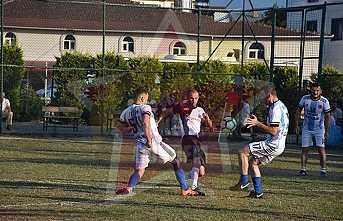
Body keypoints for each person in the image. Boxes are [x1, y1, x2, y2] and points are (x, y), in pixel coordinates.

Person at [116, 89, 200, 196]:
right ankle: (185, 189)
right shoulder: (145, 107)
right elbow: (146, 121)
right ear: (142, 98)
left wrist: (134, 128)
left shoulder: (126, 112)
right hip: (153, 142)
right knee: (176, 161)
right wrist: (149, 139)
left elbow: (120, 128)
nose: (147, 101)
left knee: (139, 170)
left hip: (140, 143)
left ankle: (129, 188)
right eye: (147, 98)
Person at [230, 86, 289, 198]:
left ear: (270, 95)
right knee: (253, 163)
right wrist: (258, 122)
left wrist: (257, 123)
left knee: (243, 152)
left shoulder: (275, 108)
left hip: (273, 144)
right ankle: (258, 192)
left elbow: (274, 131)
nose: (263, 101)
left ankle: (243, 182)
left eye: (264, 98)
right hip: (279, 145)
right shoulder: (281, 106)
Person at [159, 89, 213, 195]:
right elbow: (167, 112)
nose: (194, 100)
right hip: (187, 139)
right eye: (191, 98)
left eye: (196, 98)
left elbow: (210, 126)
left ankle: (189, 179)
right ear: (187, 98)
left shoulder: (200, 110)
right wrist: (158, 121)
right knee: (197, 161)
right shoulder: (182, 107)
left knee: (201, 171)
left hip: (196, 140)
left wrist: (207, 120)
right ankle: (194, 187)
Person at [295, 82, 331, 177]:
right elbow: (298, 111)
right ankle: (303, 169)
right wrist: (296, 125)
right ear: (310, 90)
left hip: (319, 129)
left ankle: (323, 170)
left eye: (317, 90)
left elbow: (327, 116)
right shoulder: (304, 98)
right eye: (313, 90)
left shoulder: (324, 101)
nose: (315, 92)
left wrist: (326, 131)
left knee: (321, 149)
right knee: (305, 149)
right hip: (306, 128)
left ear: (320, 91)